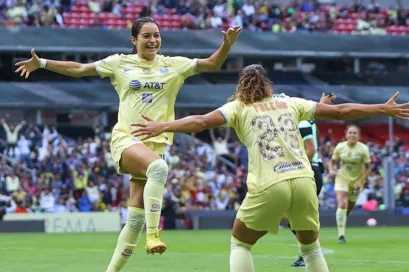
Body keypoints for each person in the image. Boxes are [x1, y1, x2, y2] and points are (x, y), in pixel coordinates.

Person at [130, 64, 409, 272]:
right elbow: (341, 113)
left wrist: (164, 125)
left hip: (270, 182)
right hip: (304, 180)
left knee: (240, 244)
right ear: (267, 84)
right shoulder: (289, 102)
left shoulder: (237, 108)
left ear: (240, 87)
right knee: (311, 248)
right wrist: (382, 108)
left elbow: (201, 122)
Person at [14, 17, 242, 272]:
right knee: (159, 169)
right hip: (126, 139)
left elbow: (212, 64)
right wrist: (42, 63)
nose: (153, 40)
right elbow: (78, 69)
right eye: (146, 36)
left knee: (134, 218)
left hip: (156, 144)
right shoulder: (119, 62)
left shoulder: (174, 65)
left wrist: (227, 45)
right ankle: (154, 234)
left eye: (156, 35)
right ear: (134, 40)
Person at [290, 92, 336, 268]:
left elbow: (310, 150)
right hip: (311, 170)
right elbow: (313, 116)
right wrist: (321, 103)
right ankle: (308, 249)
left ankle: (309, 250)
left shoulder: (301, 123)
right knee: (294, 215)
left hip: (308, 170)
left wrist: (295, 167)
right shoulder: (305, 122)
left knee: (296, 215)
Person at [328, 124, 371, 244]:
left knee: (348, 208)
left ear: (359, 136)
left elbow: (368, 168)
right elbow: (332, 162)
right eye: (350, 133)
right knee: (342, 203)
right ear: (346, 134)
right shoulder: (340, 147)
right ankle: (341, 235)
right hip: (342, 178)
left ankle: (341, 223)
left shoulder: (363, 149)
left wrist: (361, 181)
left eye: (355, 133)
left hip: (357, 182)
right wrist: (331, 170)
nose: (352, 135)